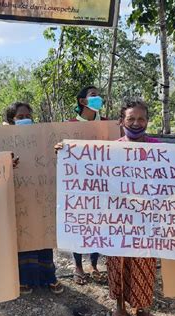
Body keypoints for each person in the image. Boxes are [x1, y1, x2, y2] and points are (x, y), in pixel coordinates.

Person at [107, 99, 159, 316]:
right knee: (118, 261)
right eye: (131, 119)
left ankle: (142, 307)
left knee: (145, 262)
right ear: (121, 121)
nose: (136, 123)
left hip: (147, 219)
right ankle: (119, 306)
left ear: (147, 121)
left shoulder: (160, 148)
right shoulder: (110, 149)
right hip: (117, 218)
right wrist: (66, 153)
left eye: (141, 119)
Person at [3, 102, 63, 295]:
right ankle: (25, 280)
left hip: (41, 195)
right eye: (20, 117)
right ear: (11, 120)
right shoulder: (1, 139)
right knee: (24, 237)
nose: (25, 119)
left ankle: (49, 277)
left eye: (28, 115)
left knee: (44, 235)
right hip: (18, 198)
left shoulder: (42, 137)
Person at [67, 86, 105, 284]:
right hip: (78, 185)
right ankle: (78, 266)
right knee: (79, 225)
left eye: (99, 94)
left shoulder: (109, 124)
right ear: (82, 101)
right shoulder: (70, 125)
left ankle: (94, 264)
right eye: (93, 95)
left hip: (103, 185)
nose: (98, 98)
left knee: (99, 225)